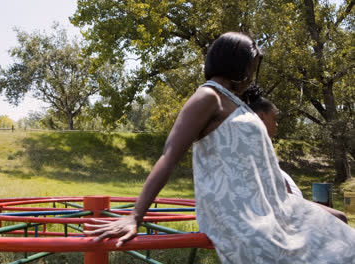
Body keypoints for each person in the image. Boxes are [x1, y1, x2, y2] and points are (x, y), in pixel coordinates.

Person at [84, 32, 355, 263]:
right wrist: (135, 215)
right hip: (240, 214)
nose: (252, 75)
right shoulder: (208, 96)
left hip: (271, 207)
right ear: (237, 63)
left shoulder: (235, 103)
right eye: (251, 66)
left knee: (341, 231)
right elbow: (169, 155)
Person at [249, 96, 348, 223]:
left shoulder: (262, 148)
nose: (277, 124)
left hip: (292, 204)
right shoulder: (255, 150)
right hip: (286, 210)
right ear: (261, 117)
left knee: (338, 216)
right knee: (340, 218)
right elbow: (285, 196)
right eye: (274, 119)